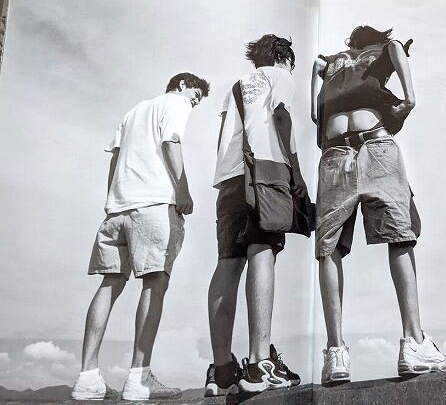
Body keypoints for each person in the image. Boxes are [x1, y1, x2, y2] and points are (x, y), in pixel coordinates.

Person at [311, 25, 446, 385]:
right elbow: (396, 47)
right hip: (376, 145)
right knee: (400, 238)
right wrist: (409, 98)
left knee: (329, 249)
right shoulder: (380, 50)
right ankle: (414, 342)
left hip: (334, 152)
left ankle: (335, 353)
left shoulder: (331, 63)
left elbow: (316, 100)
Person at [70, 73, 210, 400]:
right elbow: (171, 141)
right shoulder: (174, 103)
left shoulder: (133, 112)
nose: (195, 102)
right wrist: (183, 190)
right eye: (196, 95)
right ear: (182, 85)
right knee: (155, 282)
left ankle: (87, 377)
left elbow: (115, 158)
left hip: (118, 208)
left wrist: (113, 199)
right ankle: (139, 378)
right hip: (154, 204)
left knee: (109, 284)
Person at [206, 34, 305, 396]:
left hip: (229, 178)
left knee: (228, 262)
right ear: (284, 57)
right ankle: (260, 361)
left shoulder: (236, 85)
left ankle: (221, 369)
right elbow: (281, 115)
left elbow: (223, 135)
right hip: (266, 169)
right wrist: (296, 172)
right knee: (262, 251)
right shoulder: (281, 76)